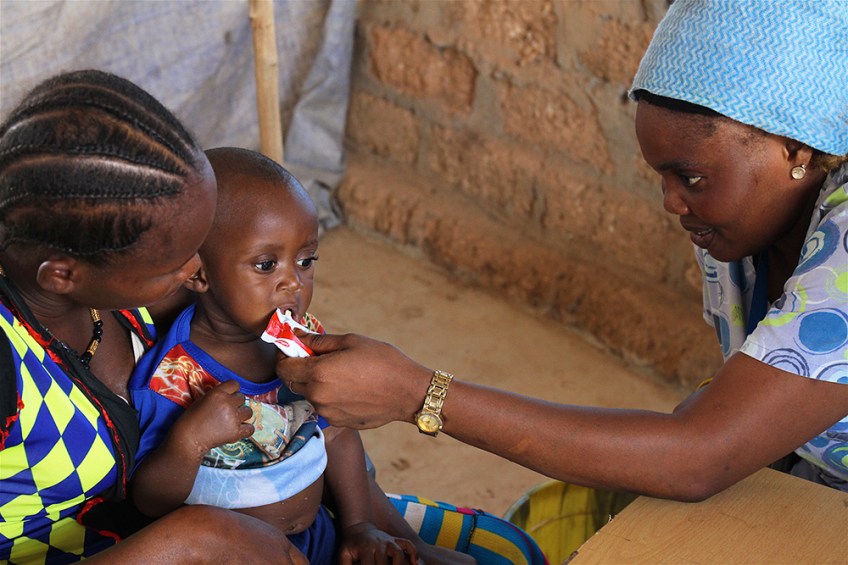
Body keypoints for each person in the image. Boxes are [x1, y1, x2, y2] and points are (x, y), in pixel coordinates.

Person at [277, 0, 848, 501]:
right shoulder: (734, 224)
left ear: (795, 147)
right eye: (661, 178)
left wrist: (417, 394)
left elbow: (698, 456)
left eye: (690, 178)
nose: (672, 204)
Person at [0, 70, 306, 564]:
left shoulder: (129, 284)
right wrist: (191, 539)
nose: (196, 270)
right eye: (175, 261)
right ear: (62, 276)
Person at [128, 147, 420, 564]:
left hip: (320, 536)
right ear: (198, 273)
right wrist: (189, 442)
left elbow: (335, 434)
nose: (293, 283)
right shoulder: (174, 374)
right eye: (266, 265)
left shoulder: (305, 342)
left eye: (305, 261)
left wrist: (359, 527)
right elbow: (149, 502)